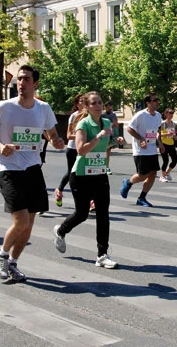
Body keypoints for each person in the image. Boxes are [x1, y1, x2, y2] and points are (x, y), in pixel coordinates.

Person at [0, 65, 64, 282]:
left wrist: (55, 141)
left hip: (33, 169)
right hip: (9, 169)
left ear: (35, 83)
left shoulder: (43, 108)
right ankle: (1, 255)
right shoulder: (4, 107)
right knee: (20, 221)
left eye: (26, 79)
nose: (21, 83)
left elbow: (52, 133)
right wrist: (0, 146)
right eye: (19, 79)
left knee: (29, 223)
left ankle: (13, 263)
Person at [52, 91, 124, 269]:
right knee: (82, 213)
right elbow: (81, 149)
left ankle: (102, 254)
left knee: (103, 214)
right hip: (82, 174)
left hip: (99, 172)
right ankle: (61, 230)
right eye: (94, 103)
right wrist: (99, 136)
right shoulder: (83, 123)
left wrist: (116, 141)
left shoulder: (107, 122)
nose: (99, 106)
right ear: (87, 106)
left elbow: (105, 145)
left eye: (100, 102)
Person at [120, 93, 164, 207]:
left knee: (153, 173)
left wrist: (160, 143)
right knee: (143, 174)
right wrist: (140, 139)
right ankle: (128, 182)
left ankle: (142, 198)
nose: (157, 102)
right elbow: (129, 128)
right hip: (141, 150)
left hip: (152, 148)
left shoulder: (158, 115)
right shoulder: (140, 115)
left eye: (158, 100)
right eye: (155, 100)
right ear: (148, 103)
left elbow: (156, 131)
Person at [54, 94, 84, 208]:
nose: (83, 103)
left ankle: (90, 200)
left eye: (84, 101)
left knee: (86, 174)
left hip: (85, 148)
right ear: (76, 104)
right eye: (80, 101)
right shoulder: (74, 116)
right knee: (72, 173)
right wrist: (81, 136)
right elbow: (68, 135)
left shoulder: (90, 117)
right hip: (73, 148)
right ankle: (59, 190)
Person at [159, 108, 177, 182]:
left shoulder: (173, 124)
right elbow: (159, 134)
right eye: (170, 113)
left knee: (175, 160)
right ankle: (162, 176)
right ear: (166, 114)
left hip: (171, 144)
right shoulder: (163, 124)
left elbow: (175, 135)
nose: (171, 115)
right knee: (165, 161)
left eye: (172, 113)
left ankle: (167, 172)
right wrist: (167, 134)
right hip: (164, 144)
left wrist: (175, 136)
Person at [103, 100, 120, 175]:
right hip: (103, 135)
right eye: (108, 107)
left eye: (111, 107)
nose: (110, 108)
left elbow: (117, 125)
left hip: (110, 135)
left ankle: (107, 167)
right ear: (105, 107)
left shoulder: (113, 115)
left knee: (107, 152)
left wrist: (114, 122)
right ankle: (101, 167)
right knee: (102, 151)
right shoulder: (102, 115)